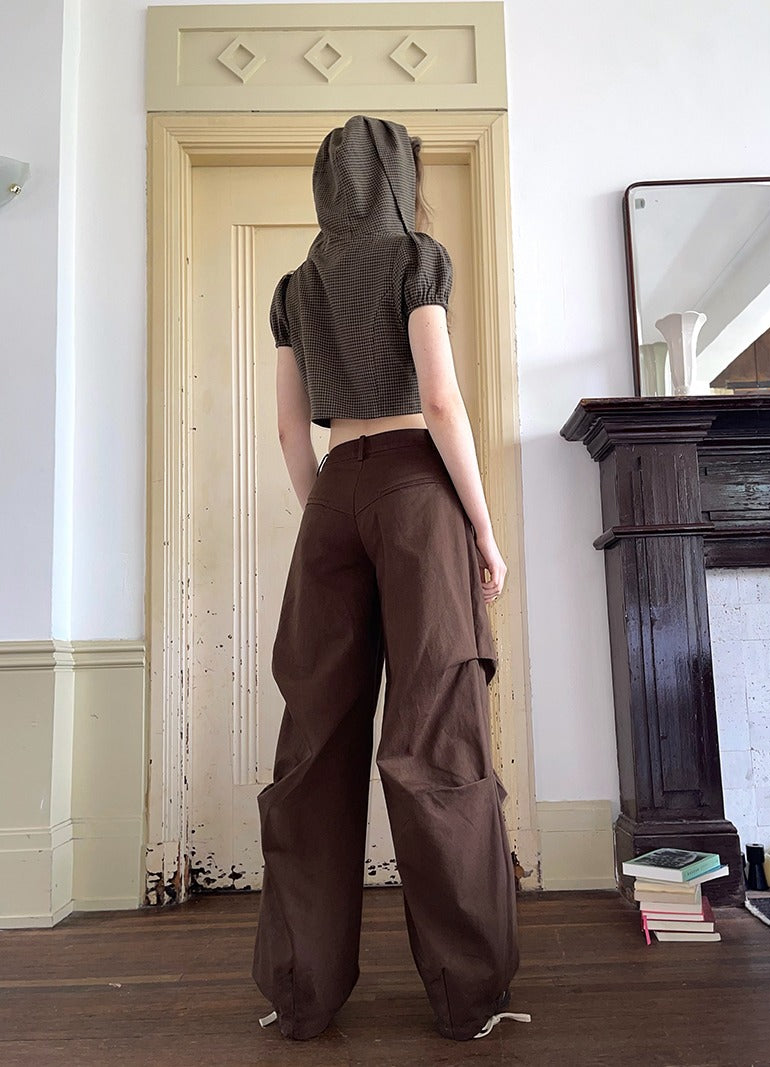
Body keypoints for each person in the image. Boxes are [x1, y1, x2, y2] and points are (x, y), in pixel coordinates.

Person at [251, 114, 529, 1043]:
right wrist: (482, 528)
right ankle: (466, 994)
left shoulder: (296, 287)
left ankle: (302, 994)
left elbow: (290, 428)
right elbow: (440, 399)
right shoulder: (418, 260)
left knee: (314, 743)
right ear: (401, 179)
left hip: (333, 491)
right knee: (435, 736)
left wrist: (328, 513)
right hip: (416, 488)